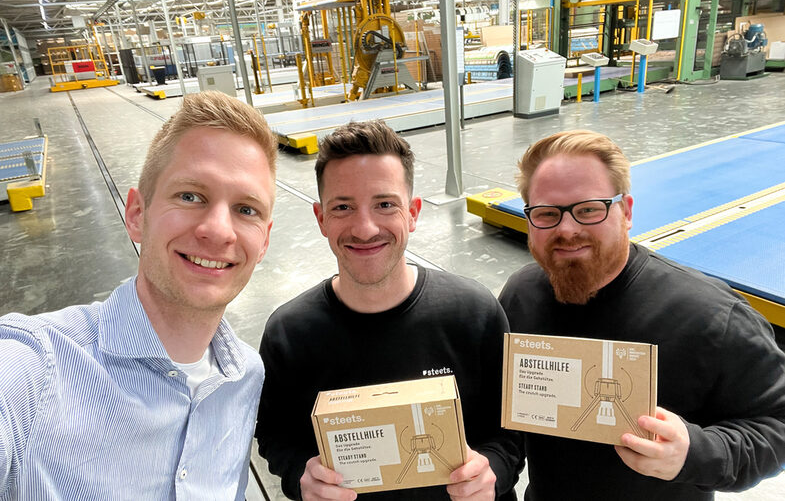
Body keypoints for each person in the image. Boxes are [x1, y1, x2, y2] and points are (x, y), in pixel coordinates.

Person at [0, 91, 277, 499]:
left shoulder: (244, 377)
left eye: (246, 209)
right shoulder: (33, 371)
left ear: (265, 241)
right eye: (190, 196)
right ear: (136, 215)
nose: (219, 230)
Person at [499, 129, 785, 499]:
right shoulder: (520, 297)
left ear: (626, 211)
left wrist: (696, 453)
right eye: (547, 214)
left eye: (588, 209)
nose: (567, 229)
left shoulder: (709, 315)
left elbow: (777, 422)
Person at [256, 120, 519, 500]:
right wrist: (302, 476)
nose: (364, 229)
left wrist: (492, 472)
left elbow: (512, 431)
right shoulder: (289, 334)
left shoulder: (474, 314)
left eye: (385, 205)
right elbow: (275, 434)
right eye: (343, 207)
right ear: (321, 218)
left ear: (412, 212)